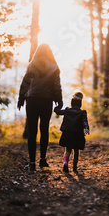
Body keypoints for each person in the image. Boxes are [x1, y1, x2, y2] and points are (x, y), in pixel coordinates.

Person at [17, 44, 63, 172]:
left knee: (32, 132)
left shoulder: (32, 65)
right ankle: (42, 160)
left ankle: (32, 163)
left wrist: (21, 98)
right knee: (44, 130)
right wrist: (59, 100)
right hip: (46, 101)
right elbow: (56, 86)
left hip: (31, 101)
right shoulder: (54, 67)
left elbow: (25, 83)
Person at [54, 91, 90, 173]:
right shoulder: (82, 113)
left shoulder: (67, 110)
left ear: (72, 103)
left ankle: (65, 163)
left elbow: (59, 112)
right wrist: (86, 128)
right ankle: (74, 167)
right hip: (78, 134)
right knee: (76, 151)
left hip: (68, 133)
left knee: (67, 150)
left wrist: (56, 108)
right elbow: (84, 121)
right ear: (80, 104)